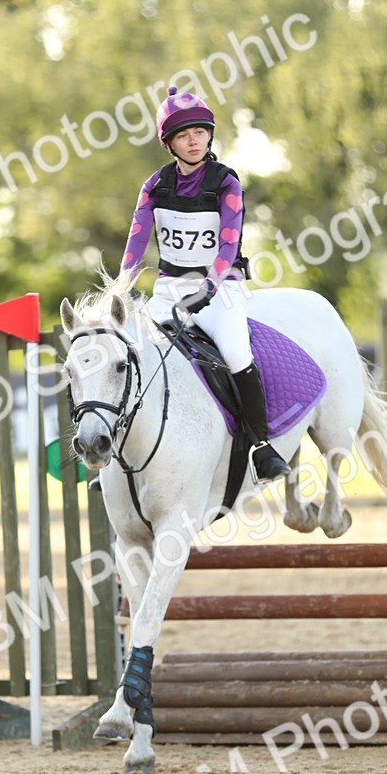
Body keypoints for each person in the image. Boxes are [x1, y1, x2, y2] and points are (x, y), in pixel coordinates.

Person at [117, 84, 291, 483]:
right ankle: (120, 459)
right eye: (183, 134)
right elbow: (137, 240)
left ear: (210, 135)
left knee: (234, 351)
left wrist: (209, 288)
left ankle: (262, 448)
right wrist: (121, 287)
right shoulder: (154, 186)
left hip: (220, 288)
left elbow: (228, 245)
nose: (193, 140)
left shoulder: (226, 182)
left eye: (199, 132)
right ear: (170, 143)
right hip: (169, 290)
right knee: (133, 353)